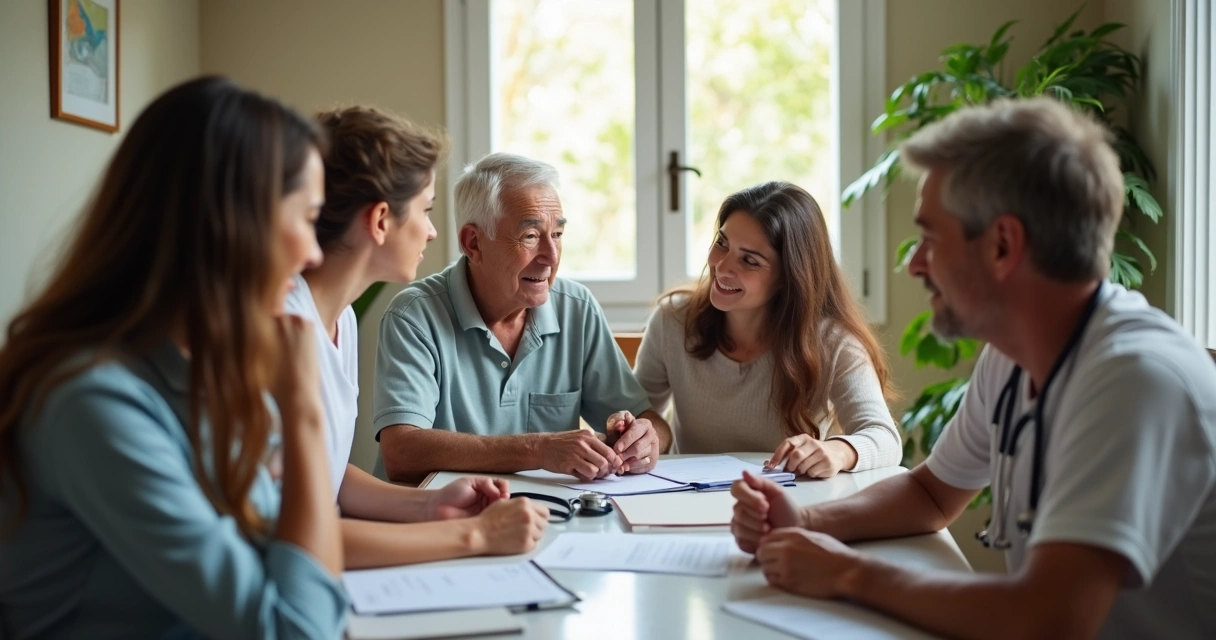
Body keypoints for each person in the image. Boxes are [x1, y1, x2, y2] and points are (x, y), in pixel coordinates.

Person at [730, 97, 1216, 639]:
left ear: (1003, 246)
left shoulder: (1136, 381)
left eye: (930, 238)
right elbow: (931, 495)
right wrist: (807, 521)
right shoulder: (1011, 354)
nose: (914, 263)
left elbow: (1047, 620)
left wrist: (847, 573)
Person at [0, 77, 347, 638]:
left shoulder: (202, 369)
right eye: (307, 218)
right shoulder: (91, 402)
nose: (312, 254)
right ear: (232, 223)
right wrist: (304, 411)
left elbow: (278, 552)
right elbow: (296, 629)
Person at [291, 106, 547, 568]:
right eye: (426, 210)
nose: (431, 231)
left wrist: (429, 505)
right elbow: (291, 536)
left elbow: (324, 474)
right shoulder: (283, 331)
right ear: (380, 220)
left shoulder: (340, 316)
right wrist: (475, 534)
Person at [374, 153, 671, 483]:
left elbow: (651, 422)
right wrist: (538, 449)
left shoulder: (577, 308)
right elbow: (401, 451)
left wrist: (645, 439)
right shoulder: (414, 315)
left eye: (557, 234)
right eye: (530, 236)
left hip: (548, 509)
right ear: (473, 243)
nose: (551, 257)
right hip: (439, 512)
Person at [634, 182, 900, 476]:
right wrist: (638, 437)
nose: (721, 267)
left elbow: (884, 437)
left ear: (790, 275)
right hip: (684, 495)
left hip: (789, 500)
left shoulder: (833, 343)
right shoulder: (672, 320)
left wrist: (838, 451)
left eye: (749, 260)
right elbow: (643, 412)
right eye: (722, 243)